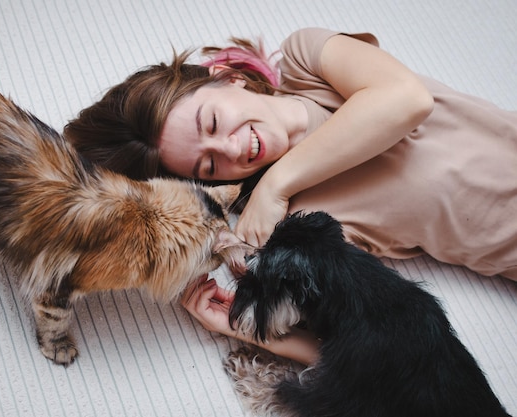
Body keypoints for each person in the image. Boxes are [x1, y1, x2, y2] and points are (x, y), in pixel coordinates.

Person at [64, 28, 517, 365]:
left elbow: (406, 100)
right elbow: (370, 353)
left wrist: (277, 183)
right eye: (208, 166)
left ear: (226, 78)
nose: (232, 148)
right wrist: (251, 332)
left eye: (214, 123)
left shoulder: (307, 61)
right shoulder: (298, 226)